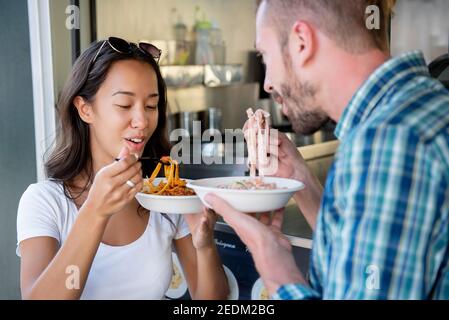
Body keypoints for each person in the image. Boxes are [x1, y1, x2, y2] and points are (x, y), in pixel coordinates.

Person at [206, 0, 449, 299]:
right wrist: (302, 180)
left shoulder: (389, 141)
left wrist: (274, 266)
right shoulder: (420, 105)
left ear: (302, 42)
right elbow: (365, 252)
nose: (268, 84)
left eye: (266, 56)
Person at [17, 37, 228, 300]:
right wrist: (95, 211)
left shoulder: (163, 197)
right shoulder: (45, 202)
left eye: (151, 105)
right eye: (124, 105)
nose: (142, 121)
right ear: (85, 109)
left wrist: (204, 243)